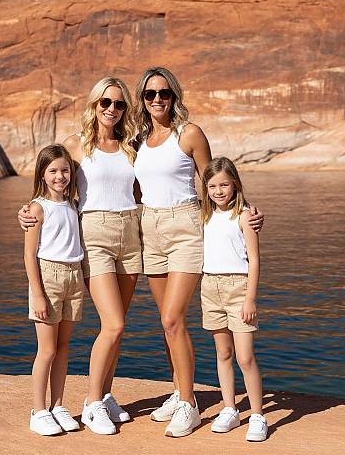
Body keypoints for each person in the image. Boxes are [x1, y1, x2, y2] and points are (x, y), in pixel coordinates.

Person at [133, 67, 264, 437]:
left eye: (165, 93)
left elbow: (215, 183)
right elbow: (134, 188)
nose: (157, 100)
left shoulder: (188, 134)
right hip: (150, 227)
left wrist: (247, 212)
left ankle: (189, 405)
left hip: (186, 227)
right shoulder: (139, 138)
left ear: (175, 96)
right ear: (142, 100)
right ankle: (179, 390)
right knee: (166, 322)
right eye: (150, 94)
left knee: (174, 318)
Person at [19, 77, 141, 435]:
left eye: (119, 104)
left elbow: (138, 189)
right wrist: (26, 212)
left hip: (130, 232)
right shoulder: (77, 144)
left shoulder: (130, 146)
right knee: (113, 323)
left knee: (118, 330)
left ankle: (103, 395)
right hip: (94, 235)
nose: (112, 110)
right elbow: (51, 177)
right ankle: (90, 404)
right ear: (94, 104)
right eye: (105, 102)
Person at [200, 156, 268, 442]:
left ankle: (257, 415)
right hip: (210, 286)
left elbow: (254, 260)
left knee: (245, 356)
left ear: (235, 185)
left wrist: (250, 298)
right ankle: (230, 408)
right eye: (213, 186)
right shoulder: (204, 216)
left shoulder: (244, 216)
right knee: (223, 354)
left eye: (224, 185)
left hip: (238, 287)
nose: (219, 191)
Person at [24, 144, 84, 436]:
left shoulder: (73, 205)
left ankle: (58, 405)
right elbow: (29, 255)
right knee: (46, 350)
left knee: (62, 348)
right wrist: (37, 293)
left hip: (74, 278)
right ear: (42, 174)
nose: (60, 176)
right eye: (53, 171)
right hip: (48, 278)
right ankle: (38, 410)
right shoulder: (38, 208)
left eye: (65, 170)